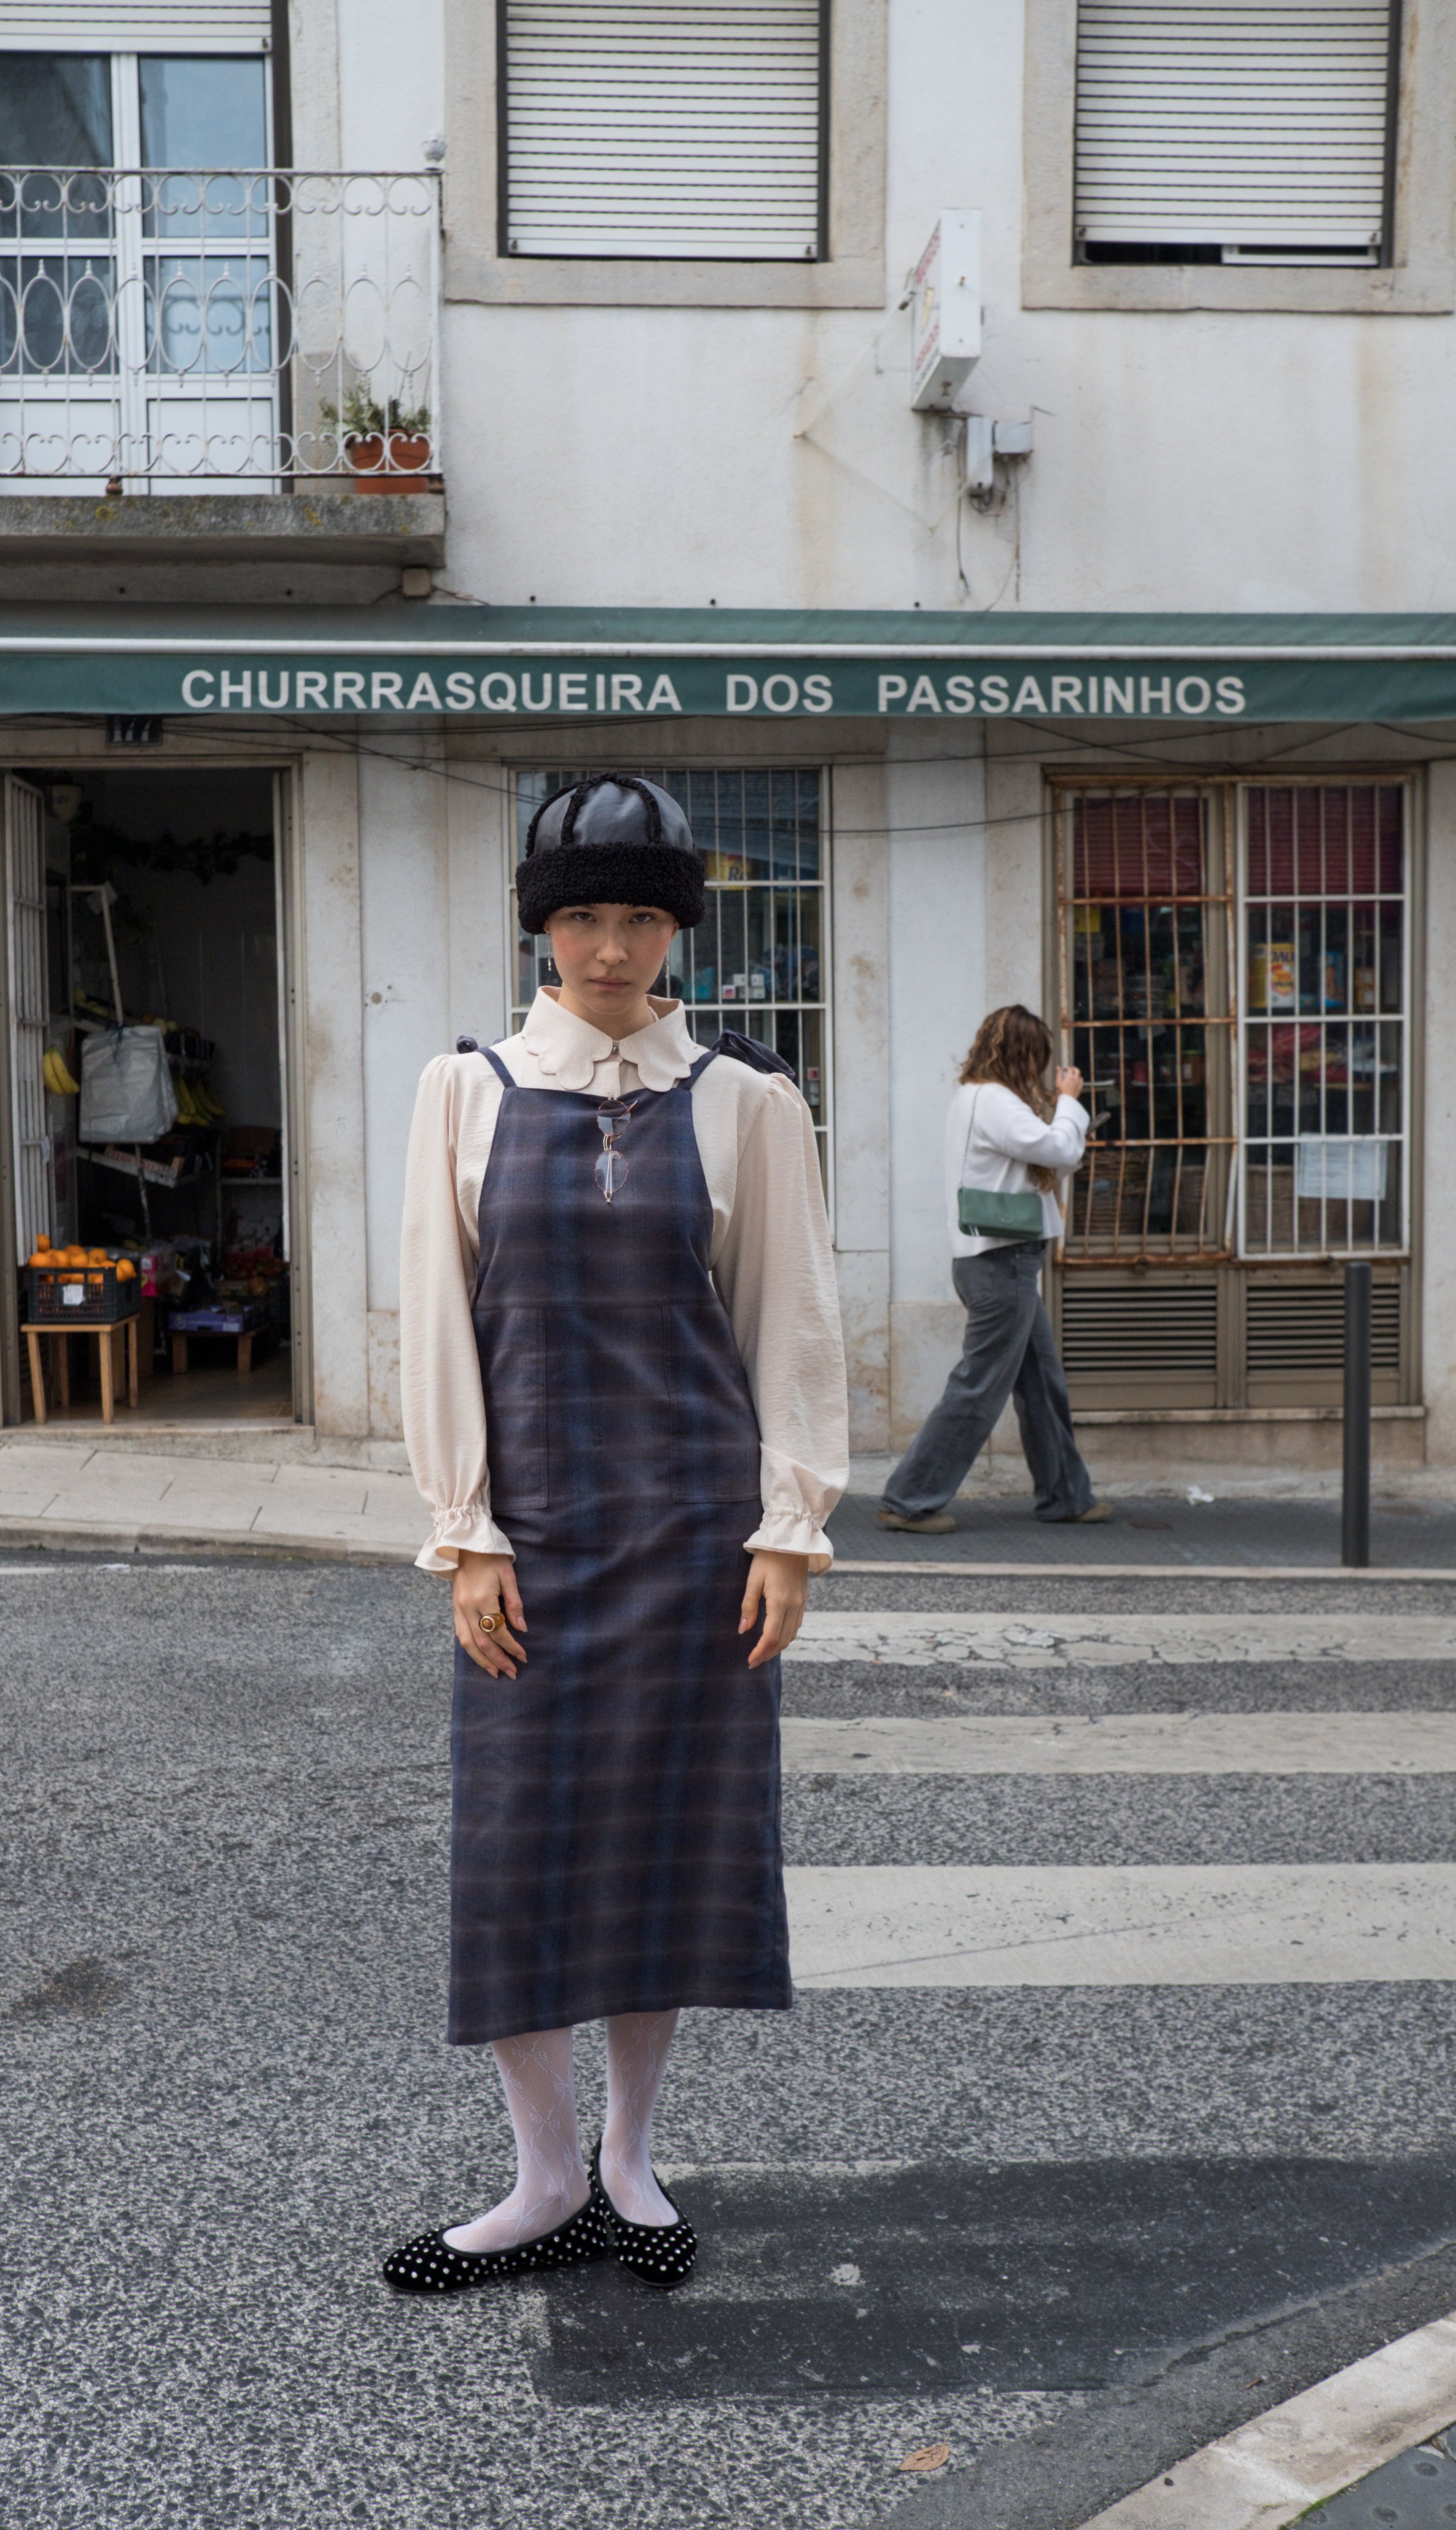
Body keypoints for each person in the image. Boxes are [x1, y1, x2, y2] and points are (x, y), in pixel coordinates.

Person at [387, 772, 848, 2296]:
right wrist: (464, 1531)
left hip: (694, 1537)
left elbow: (790, 1322)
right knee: (518, 1856)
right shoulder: (462, 1089)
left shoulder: (747, 1099)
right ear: (543, 926)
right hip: (530, 1537)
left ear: (674, 930)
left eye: (638, 915)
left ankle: (628, 2160)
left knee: (662, 1853)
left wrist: (786, 1528)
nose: (607, 945)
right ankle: (536, 2173)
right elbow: (436, 1325)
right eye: (582, 913)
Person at [878, 1003, 1111, 1535]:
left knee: (1041, 1383)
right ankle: (909, 1499)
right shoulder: (994, 1100)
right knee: (979, 1387)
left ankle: (1067, 1496)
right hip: (1001, 1263)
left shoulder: (981, 1096)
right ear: (1024, 1055)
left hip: (1004, 1262)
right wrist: (1069, 1104)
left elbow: (1050, 1152)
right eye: (1038, 1058)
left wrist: (1062, 1113)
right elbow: (1057, 1149)